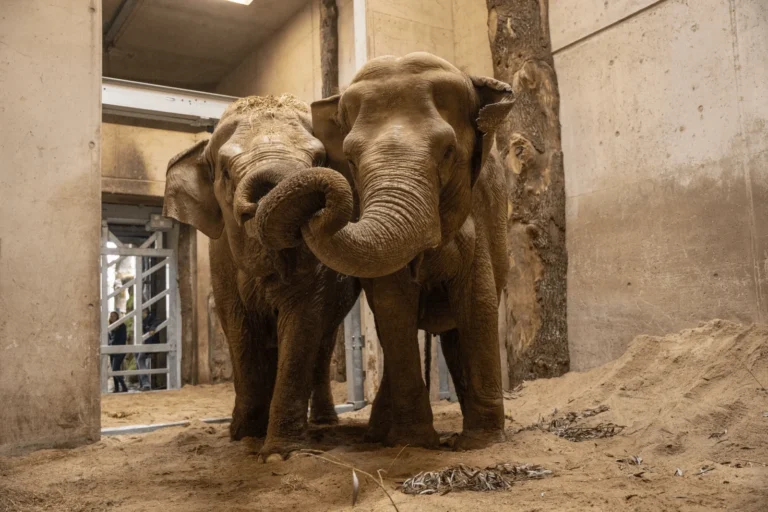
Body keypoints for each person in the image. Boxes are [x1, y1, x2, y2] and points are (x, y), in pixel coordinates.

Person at [137, 308, 160, 391]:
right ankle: (143, 384)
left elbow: (157, 321)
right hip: (145, 343)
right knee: (138, 359)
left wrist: (152, 328)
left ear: (145, 311)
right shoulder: (143, 321)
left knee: (140, 359)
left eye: (141, 312)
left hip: (150, 343)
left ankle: (146, 384)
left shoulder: (151, 317)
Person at [107, 311, 128, 393]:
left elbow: (123, 339)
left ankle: (124, 386)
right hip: (112, 350)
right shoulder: (110, 327)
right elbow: (109, 339)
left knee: (115, 368)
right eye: (111, 316)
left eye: (114, 316)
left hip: (120, 350)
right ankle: (116, 388)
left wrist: (112, 344)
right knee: (114, 369)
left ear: (117, 317)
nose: (112, 318)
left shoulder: (122, 326)